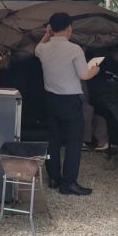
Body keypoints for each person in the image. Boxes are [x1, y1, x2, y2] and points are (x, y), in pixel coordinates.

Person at [35, 13, 100, 195]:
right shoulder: (75, 49)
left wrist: (47, 35)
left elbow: (37, 48)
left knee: (53, 139)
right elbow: (84, 75)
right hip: (70, 101)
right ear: (69, 28)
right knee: (73, 141)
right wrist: (95, 70)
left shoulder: (42, 49)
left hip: (51, 100)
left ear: (51, 28)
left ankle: (53, 178)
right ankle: (68, 183)